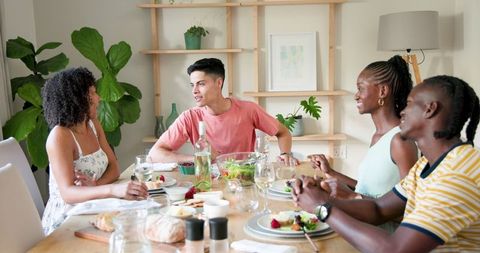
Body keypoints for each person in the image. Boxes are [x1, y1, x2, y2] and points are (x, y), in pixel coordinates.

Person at [293, 75, 480, 252]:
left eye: (409, 104)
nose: (402, 111)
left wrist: (321, 208)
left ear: (429, 109)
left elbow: (394, 249)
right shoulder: (427, 163)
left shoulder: (458, 174)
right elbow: (379, 209)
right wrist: (322, 199)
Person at [41, 67, 148, 235]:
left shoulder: (92, 123)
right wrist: (113, 190)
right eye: (92, 94)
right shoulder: (60, 136)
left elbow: (114, 168)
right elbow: (68, 193)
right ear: (75, 100)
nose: (98, 98)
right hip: (67, 219)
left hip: (94, 205)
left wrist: (95, 186)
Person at [310, 55, 418, 202]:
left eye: (360, 88)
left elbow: (409, 203)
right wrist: (330, 172)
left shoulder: (401, 141)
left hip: (377, 225)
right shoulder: (378, 136)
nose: (356, 96)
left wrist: (351, 196)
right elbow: (368, 190)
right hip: (363, 220)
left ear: (382, 91)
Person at [149, 58, 295, 163]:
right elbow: (155, 154)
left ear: (219, 83)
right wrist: (197, 158)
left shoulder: (248, 110)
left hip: (243, 180)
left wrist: (285, 153)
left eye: (200, 84)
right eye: (192, 85)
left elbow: (283, 133)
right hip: (207, 183)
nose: (194, 91)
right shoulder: (189, 117)